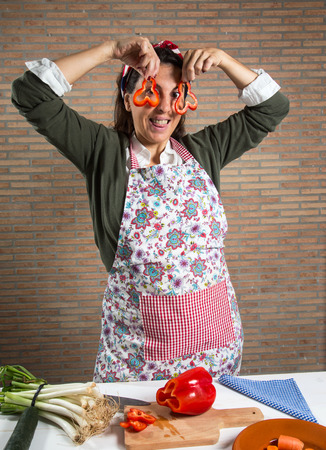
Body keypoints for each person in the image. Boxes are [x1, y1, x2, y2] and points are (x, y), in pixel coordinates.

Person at [11, 36, 289, 382]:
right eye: (151, 92)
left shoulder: (206, 150)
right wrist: (110, 51)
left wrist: (225, 60)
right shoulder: (102, 151)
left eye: (176, 94)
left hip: (216, 351)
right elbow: (30, 95)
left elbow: (273, 107)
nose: (164, 109)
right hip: (139, 361)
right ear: (128, 98)